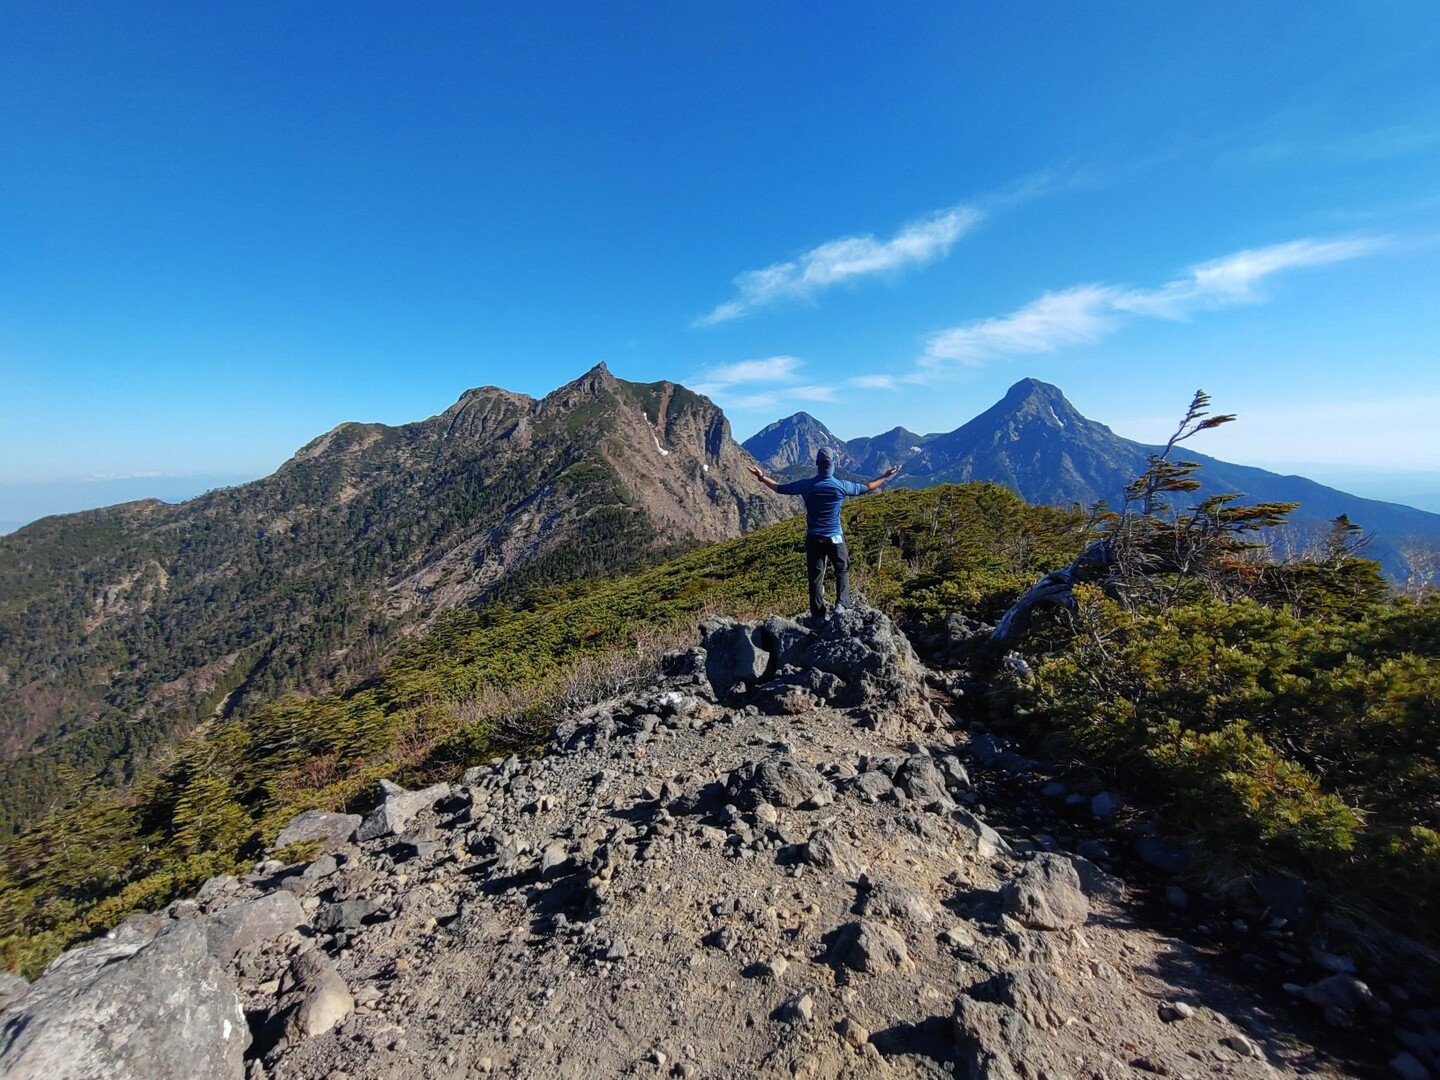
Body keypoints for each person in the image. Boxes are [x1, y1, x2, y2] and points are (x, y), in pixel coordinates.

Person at [748, 448, 901, 619]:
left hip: (814, 538)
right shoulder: (841, 486)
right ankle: (841, 606)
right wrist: (885, 476)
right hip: (835, 537)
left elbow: (779, 488)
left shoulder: (806, 485)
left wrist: (761, 477)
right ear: (833, 465)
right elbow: (867, 487)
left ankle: (818, 615)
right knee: (842, 570)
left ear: (816, 464)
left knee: (815, 577)